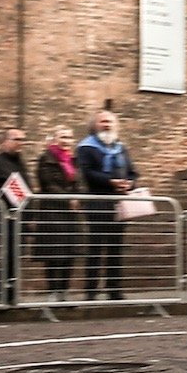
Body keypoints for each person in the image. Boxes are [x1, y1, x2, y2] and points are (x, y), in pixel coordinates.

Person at [74, 110, 138, 301]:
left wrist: (129, 183)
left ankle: (114, 289)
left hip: (119, 204)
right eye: (103, 122)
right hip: (98, 203)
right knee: (95, 248)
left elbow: (133, 172)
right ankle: (91, 290)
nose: (107, 125)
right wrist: (111, 181)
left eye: (110, 121)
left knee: (116, 248)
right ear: (95, 125)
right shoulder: (86, 147)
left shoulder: (120, 147)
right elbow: (87, 173)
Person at [0, 128, 32, 303]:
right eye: (16, 139)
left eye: (22, 139)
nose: (20, 143)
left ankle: (10, 294)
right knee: (8, 253)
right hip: (4, 216)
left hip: (20, 216)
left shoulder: (20, 163)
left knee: (17, 254)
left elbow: (26, 188)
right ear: (4, 142)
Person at [32, 126, 83, 298]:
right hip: (52, 212)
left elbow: (78, 183)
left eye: (69, 137)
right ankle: (53, 289)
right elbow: (48, 184)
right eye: (62, 137)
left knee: (70, 253)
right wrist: (69, 198)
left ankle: (64, 289)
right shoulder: (45, 159)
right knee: (53, 253)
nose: (66, 140)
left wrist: (78, 197)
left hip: (71, 214)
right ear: (54, 139)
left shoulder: (72, 161)